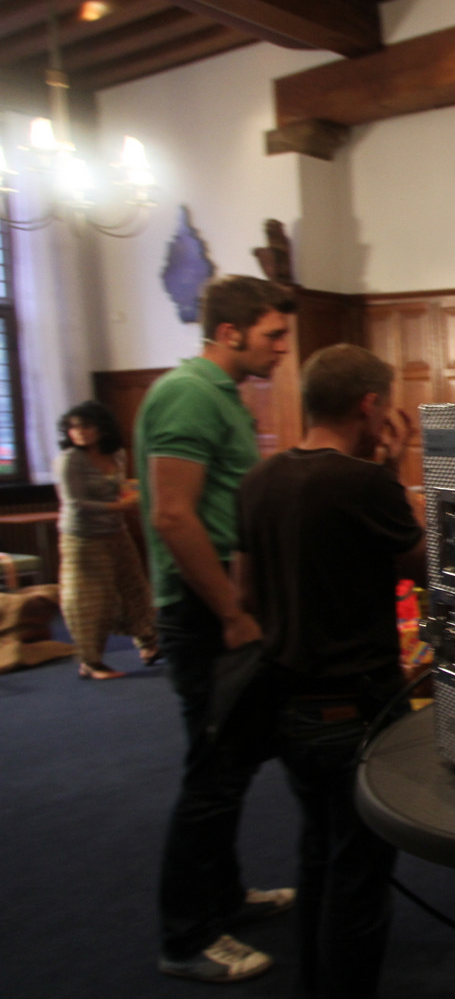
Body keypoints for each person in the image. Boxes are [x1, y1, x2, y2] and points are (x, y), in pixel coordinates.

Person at [236, 344, 424, 999]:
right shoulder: (364, 484)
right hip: (357, 708)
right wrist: (394, 470)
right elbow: (425, 566)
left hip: (286, 704)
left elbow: (244, 592)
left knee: (318, 850)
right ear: (370, 406)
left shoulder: (258, 479)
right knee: (359, 875)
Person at [139, 274, 298, 982]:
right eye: (273, 334)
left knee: (228, 766)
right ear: (230, 332)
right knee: (212, 777)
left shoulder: (222, 395)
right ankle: (185, 938)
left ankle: (225, 898)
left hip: (222, 609)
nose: (282, 347)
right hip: (203, 614)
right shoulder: (186, 394)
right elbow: (173, 516)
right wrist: (232, 613)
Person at [52, 400, 158, 679]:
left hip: (116, 532)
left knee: (134, 588)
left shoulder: (117, 454)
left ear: (102, 428)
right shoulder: (70, 460)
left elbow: (118, 486)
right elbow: (75, 504)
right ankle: (91, 662)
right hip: (83, 538)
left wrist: (134, 492)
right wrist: (119, 506)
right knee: (89, 599)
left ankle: (148, 644)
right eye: (73, 427)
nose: (79, 432)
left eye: (86, 426)